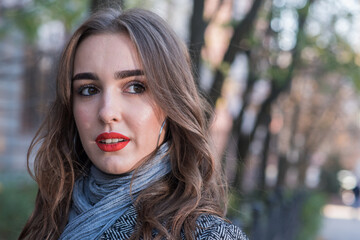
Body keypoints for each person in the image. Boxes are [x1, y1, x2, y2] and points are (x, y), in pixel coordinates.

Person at [19, 7, 248, 240]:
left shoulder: (207, 235)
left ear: (172, 102)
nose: (107, 112)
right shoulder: (49, 219)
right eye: (89, 90)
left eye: (135, 87)